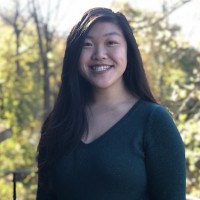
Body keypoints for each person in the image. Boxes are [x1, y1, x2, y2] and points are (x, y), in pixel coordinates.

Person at [36, 7, 186, 200]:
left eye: (111, 42)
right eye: (87, 44)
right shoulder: (58, 123)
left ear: (128, 51)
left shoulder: (153, 121)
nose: (99, 54)